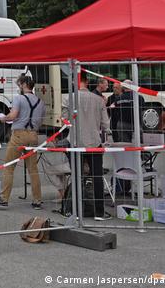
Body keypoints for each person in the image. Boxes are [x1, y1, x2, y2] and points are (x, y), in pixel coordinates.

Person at [0, 74, 46, 209]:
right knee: (33, 169)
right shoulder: (40, 102)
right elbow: (40, 121)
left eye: (19, 85)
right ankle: (37, 200)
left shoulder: (19, 99)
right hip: (33, 135)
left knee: (9, 167)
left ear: (24, 85)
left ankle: (3, 198)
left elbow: (13, 116)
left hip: (19, 135)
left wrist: (4, 118)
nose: (18, 87)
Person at [72, 72, 113, 220]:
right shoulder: (99, 100)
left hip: (76, 143)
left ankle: (76, 212)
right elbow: (105, 124)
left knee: (78, 176)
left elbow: (65, 120)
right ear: (87, 82)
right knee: (97, 176)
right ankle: (99, 212)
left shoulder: (69, 98)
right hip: (95, 142)